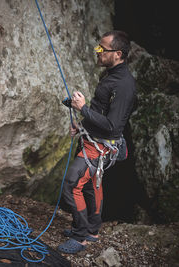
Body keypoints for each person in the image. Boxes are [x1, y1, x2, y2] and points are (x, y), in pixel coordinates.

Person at [57, 30, 137, 254]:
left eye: (103, 49)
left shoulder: (123, 85)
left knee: (71, 185)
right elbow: (101, 113)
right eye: (98, 47)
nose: (97, 51)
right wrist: (82, 122)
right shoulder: (110, 75)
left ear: (118, 54)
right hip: (93, 140)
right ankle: (92, 230)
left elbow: (112, 126)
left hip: (100, 148)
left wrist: (83, 108)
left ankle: (80, 236)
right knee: (92, 186)